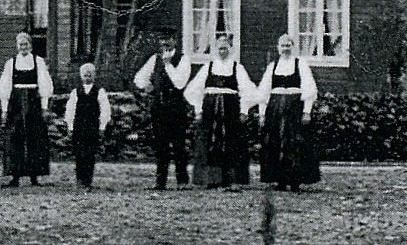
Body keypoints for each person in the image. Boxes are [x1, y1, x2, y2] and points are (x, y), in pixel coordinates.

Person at [182, 36, 258, 190]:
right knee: (210, 142)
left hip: (231, 109)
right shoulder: (208, 67)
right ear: (215, 50)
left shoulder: (237, 67)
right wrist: (198, 109)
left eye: (225, 48)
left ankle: (232, 180)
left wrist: (244, 110)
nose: (222, 51)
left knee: (232, 143)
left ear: (231, 50)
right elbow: (192, 90)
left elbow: (249, 91)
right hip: (210, 110)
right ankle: (210, 179)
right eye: (219, 48)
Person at [256, 34, 320, 192]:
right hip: (275, 108)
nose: (285, 49)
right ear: (278, 48)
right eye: (282, 46)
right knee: (275, 142)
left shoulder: (301, 65)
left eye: (288, 45)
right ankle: (279, 180)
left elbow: (309, 88)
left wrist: (307, 111)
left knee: (295, 143)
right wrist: (262, 114)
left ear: (293, 47)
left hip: (294, 108)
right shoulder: (273, 66)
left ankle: (295, 180)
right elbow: (264, 91)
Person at [132, 31, 194, 190]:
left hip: (176, 107)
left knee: (179, 145)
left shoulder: (183, 59)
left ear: (175, 40)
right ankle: (160, 182)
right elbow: (139, 77)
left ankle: (182, 181)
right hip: (159, 107)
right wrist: (146, 85)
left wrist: (168, 65)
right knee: (161, 145)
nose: (165, 44)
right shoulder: (155, 59)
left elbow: (180, 83)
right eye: (162, 41)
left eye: (168, 40)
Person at [0, 32, 54, 187]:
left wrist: (44, 107)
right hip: (15, 103)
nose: (23, 47)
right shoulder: (11, 63)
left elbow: (44, 85)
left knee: (35, 137)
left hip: (33, 102)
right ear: (17, 46)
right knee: (14, 138)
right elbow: (5, 87)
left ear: (31, 45)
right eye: (20, 45)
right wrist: (4, 109)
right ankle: (14, 176)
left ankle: (34, 176)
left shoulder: (39, 61)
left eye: (26, 44)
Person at [63, 62, 111, 189]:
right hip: (79, 127)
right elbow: (70, 110)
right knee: (79, 153)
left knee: (90, 154)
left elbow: (105, 110)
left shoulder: (100, 91)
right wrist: (70, 127)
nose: (87, 78)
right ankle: (79, 179)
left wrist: (102, 127)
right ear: (81, 76)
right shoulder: (75, 92)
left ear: (94, 76)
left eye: (90, 75)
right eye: (85, 75)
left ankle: (88, 180)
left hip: (92, 127)